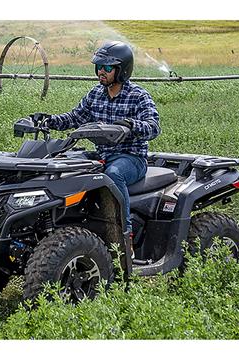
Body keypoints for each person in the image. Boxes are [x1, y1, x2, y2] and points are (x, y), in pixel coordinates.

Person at [33, 40, 161, 258]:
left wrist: (131, 125)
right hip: (101, 155)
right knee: (65, 164)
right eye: (99, 67)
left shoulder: (139, 96)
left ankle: (124, 237)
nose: (101, 71)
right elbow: (74, 117)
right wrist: (49, 121)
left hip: (130, 159)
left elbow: (154, 127)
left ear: (122, 70)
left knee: (113, 174)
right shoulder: (95, 95)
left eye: (107, 67)